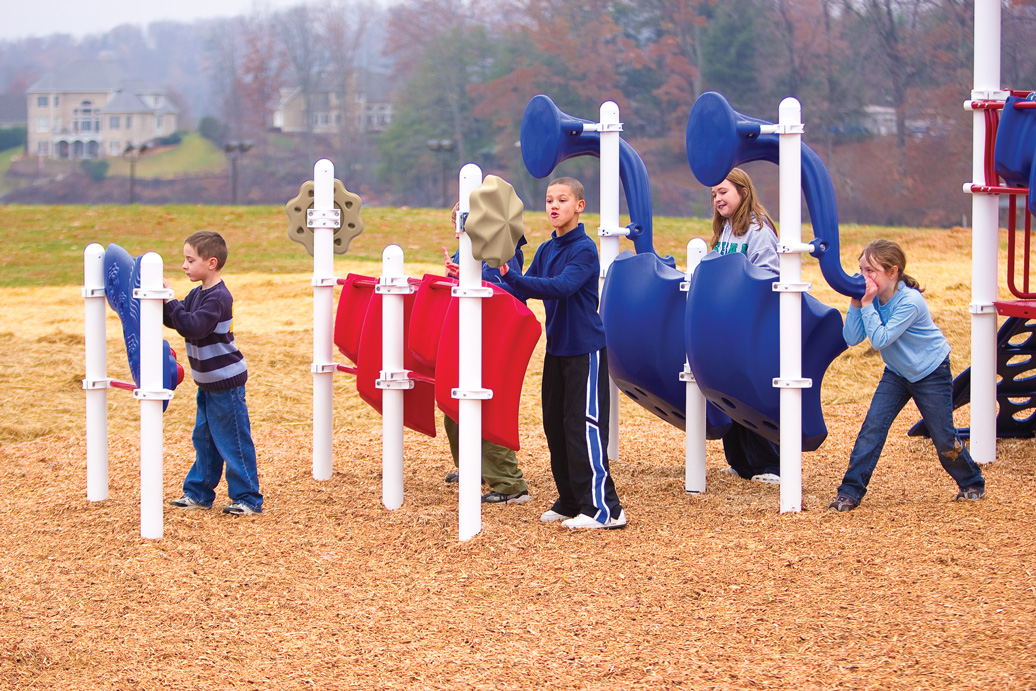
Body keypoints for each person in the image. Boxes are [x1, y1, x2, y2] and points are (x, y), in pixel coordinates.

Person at [499, 177, 626, 529]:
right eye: (549, 200)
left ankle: (604, 510)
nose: (554, 206)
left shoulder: (584, 248)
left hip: (585, 351)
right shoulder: (546, 249)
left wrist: (512, 276)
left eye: (563, 200)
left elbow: (560, 287)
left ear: (579, 206)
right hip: (557, 350)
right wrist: (475, 280)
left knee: (582, 427)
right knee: (556, 427)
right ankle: (572, 500)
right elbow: (521, 290)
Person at [828, 239, 986, 512]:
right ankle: (849, 492)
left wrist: (866, 304)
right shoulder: (871, 299)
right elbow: (852, 338)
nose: (864, 277)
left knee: (944, 437)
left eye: (871, 271)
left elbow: (880, 340)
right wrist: (856, 303)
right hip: (898, 372)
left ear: (893, 272)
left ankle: (972, 482)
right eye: (861, 270)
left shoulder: (910, 301)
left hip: (931, 371)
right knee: (872, 429)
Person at [163, 231, 263, 515]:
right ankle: (199, 493)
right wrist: (159, 301)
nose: (184, 265)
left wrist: (170, 301)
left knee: (232, 439)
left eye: (189, 260)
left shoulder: (218, 297)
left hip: (225, 384)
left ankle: (247, 498)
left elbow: (193, 326)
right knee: (204, 438)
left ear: (211, 263)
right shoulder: (197, 294)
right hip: (208, 384)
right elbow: (177, 318)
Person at [440, 203, 531, 504]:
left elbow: (510, 293)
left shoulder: (500, 250)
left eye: (463, 225)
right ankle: (473, 466)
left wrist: (470, 280)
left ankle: (509, 483)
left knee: (486, 407)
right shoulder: (463, 252)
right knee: (454, 405)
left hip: (492, 338)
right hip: (468, 335)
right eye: (457, 227)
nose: (459, 233)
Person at [709, 167, 782, 484]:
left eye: (723, 191)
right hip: (727, 325)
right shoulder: (726, 230)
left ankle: (770, 464)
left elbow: (768, 276)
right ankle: (740, 461)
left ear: (744, 191)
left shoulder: (759, 231)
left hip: (749, 324)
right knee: (728, 390)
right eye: (713, 194)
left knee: (749, 393)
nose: (717, 199)